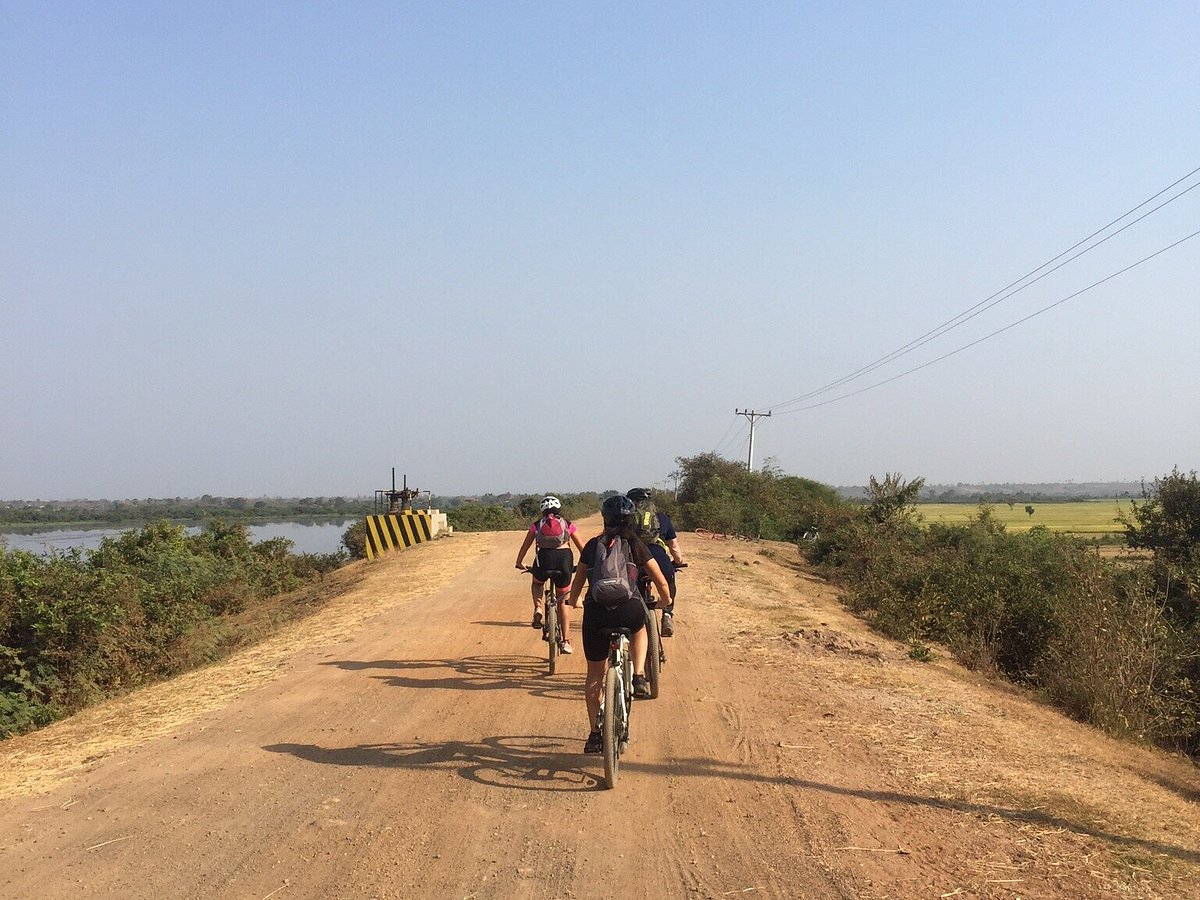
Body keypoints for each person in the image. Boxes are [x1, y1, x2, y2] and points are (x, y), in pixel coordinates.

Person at [566, 494, 672, 753]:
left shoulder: (592, 545)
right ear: (631, 520)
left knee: (593, 676)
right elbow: (660, 581)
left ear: (604, 518)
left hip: (597, 615)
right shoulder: (636, 544)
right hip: (628, 609)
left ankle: (594, 735)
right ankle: (637, 675)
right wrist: (664, 601)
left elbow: (577, 585)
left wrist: (574, 602)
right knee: (640, 629)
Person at [514, 496, 585, 654]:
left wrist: (519, 562)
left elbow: (524, 547)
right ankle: (566, 641)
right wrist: (581, 565)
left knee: (537, 583)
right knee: (563, 601)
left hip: (544, 560)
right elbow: (583, 549)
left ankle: (538, 608)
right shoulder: (567, 524)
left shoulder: (536, 525)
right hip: (564, 560)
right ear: (559, 510)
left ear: (543, 511)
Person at [626, 487, 686, 636]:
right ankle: (667, 614)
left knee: (635, 589)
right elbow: (673, 546)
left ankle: (637, 620)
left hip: (635, 560)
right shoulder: (662, 518)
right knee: (669, 579)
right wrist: (678, 561)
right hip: (658, 559)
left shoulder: (625, 519)